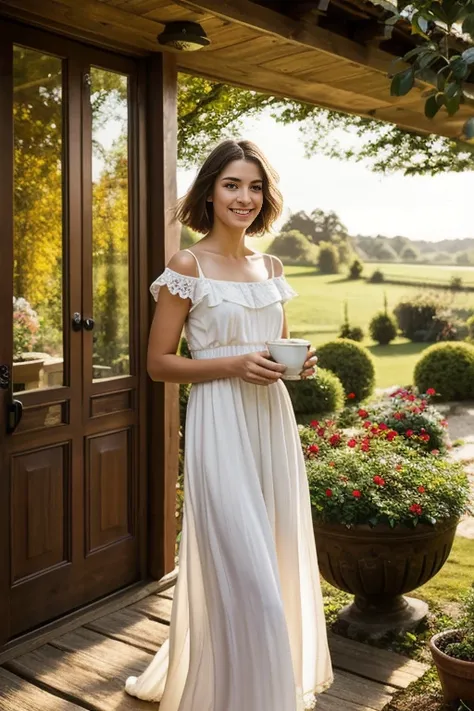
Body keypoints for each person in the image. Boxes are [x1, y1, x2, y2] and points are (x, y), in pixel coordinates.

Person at [125, 139, 333, 710]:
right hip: (220, 425)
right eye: (232, 185)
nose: (244, 197)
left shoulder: (271, 265)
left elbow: (273, 347)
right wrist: (235, 364)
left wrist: (296, 366)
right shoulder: (186, 266)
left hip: (270, 422)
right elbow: (158, 363)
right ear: (209, 191)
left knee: (275, 556)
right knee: (245, 573)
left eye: (255, 186)